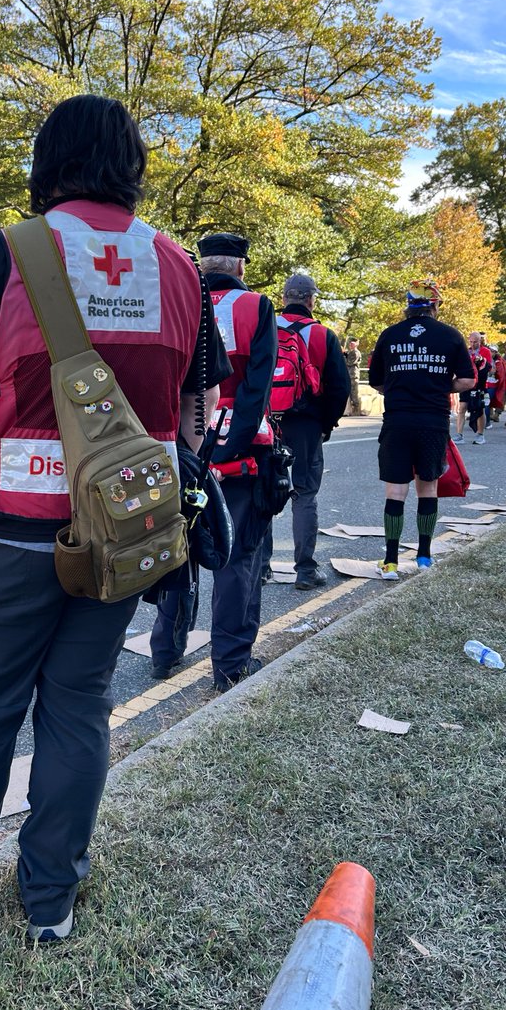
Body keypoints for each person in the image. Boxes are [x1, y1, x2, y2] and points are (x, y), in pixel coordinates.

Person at [0, 95, 227, 942]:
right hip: (127, 534)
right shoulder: (180, 267)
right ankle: (52, 899)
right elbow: (195, 406)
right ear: (131, 166)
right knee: (79, 705)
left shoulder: (0, 255)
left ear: (46, 161)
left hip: (15, 527)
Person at [151, 232, 276, 693]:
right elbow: (257, 388)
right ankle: (231, 665)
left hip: (178, 445)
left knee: (177, 549)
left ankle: (165, 652)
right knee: (237, 558)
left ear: (203, 266)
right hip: (237, 449)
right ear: (240, 266)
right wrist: (228, 450)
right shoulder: (256, 307)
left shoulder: (173, 300)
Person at [368, 280, 475, 578]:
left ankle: (390, 562)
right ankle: (424, 558)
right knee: (428, 488)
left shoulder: (390, 334)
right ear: (435, 305)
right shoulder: (451, 335)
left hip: (398, 421)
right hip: (433, 422)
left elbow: (376, 381)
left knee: (395, 490)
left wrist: (401, 386)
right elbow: (468, 380)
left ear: (408, 305)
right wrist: (439, 385)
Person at [272, 273, 349, 590]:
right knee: (304, 495)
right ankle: (305, 570)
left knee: (264, 492)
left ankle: (260, 567)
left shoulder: (265, 327)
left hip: (268, 422)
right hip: (306, 423)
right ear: (310, 300)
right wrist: (326, 423)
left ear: (284, 298)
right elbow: (340, 388)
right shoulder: (322, 334)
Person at [453, 331, 492, 445]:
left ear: (480, 341)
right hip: (466, 383)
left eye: (475, 342)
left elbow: (490, 367)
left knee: (479, 409)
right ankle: (459, 434)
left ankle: (480, 434)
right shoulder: (466, 351)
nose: (473, 344)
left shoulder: (486, 351)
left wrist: (481, 361)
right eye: (471, 342)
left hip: (480, 384)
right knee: (462, 408)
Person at [344, 338, 363, 415]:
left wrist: (344, 358)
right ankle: (352, 410)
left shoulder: (355, 352)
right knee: (351, 392)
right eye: (350, 344)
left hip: (353, 374)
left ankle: (356, 410)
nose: (350, 345)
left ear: (355, 345)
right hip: (350, 374)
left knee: (354, 393)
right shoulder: (351, 352)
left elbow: (350, 362)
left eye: (352, 344)